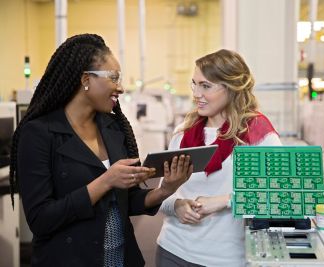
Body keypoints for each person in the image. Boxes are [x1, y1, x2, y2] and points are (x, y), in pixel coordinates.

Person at [9, 33, 193, 267]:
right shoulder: (39, 133)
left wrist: (165, 189)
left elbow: (129, 201)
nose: (121, 87)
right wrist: (105, 181)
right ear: (86, 79)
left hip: (120, 258)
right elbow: (41, 220)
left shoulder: (114, 127)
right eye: (114, 78)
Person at [156, 49, 282, 266]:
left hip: (226, 258)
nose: (196, 94)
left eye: (206, 86)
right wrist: (176, 205)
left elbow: (282, 194)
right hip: (172, 250)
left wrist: (225, 201)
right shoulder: (183, 133)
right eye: (194, 84)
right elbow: (162, 193)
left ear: (231, 88)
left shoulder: (257, 134)